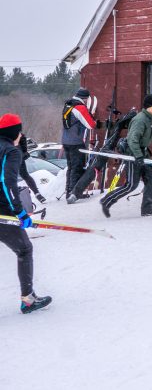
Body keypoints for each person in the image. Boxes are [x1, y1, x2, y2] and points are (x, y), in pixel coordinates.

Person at [0, 114, 52, 314]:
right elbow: (8, 183)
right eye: (19, 131)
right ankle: (28, 300)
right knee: (24, 250)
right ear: (14, 132)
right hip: (3, 212)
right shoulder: (11, 151)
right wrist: (20, 212)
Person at [101, 95, 152, 218]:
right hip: (134, 154)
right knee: (131, 185)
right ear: (149, 107)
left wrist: (143, 155)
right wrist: (138, 156)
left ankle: (147, 209)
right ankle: (106, 201)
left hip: (143, 155)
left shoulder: (148, 118)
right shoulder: (140, 120)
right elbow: (132, 140)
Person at [62, 87, 99, 203]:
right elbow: (91, 124)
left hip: (66, 141)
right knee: (77, 168)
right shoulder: (79, 107)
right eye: (88, 99)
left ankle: (69, 192)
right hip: (76, 142)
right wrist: (92, 117)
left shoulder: (68, 105)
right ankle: (73, 194)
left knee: (71, 168)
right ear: (86, 98)